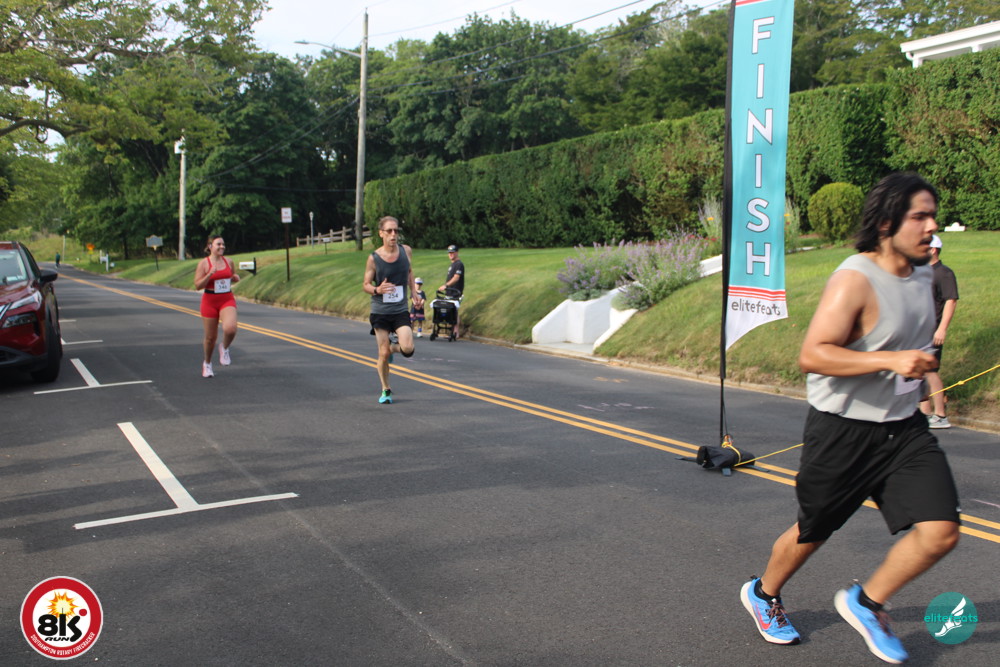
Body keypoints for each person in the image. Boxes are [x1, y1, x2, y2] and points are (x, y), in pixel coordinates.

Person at [740, 173, 960, 664]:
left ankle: (867, 603)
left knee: (942, 530)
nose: (932, 225)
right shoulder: (855, 279)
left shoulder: (923, 275)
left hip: (904, 429)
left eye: (933, 215)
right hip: (844, 429)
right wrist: (892, 360)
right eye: (920, 216)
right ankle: (763, 592)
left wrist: (916, 361)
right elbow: (813, 354)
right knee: (814, 530)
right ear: (886, 223)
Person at [363, 216, 422, 404]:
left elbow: (409, 271)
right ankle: (385, 389)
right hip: (380, 310)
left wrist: (414, 292)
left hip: (399, 309)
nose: (393, 234)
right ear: (381, 233)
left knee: (408, 348)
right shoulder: (374, 258)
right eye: (389, 231)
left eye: (396, 230)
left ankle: (392, 347)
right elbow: (365, 284)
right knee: (383, 354)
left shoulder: (406, 251)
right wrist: (377, 290)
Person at [919, 234, 959, 429]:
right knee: (920, 371)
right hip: (919, 330)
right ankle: (925, 413)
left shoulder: (944, 273)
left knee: (930, 371)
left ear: (933, 250)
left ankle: (941, 415)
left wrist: (942, 329)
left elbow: (951, 301)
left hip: (933, 330)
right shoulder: (922, 272)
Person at [194, 235, 240, 378]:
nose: (222, 247)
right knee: (210, 338)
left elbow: (231, 275)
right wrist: (209, 274)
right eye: (218, 244)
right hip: (209, 301)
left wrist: (235, 277)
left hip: (226, 298)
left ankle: (224, 347)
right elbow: (197, 285)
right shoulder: (204, 263)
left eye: (223, 244)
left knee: (230, 328)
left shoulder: (229, 261)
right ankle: (207, 363)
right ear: (210, 246)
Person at [438, 244, 465, 337]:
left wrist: (446, 285)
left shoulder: (459, 264)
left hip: (455, 292)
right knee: (450, 311)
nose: (450, 254)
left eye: (452, 252)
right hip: (450, 292)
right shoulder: (452, 265)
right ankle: (452, 330)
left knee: (454, 311)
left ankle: (456, 332)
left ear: (457, 252)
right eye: (449, 253)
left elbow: (456, 278)